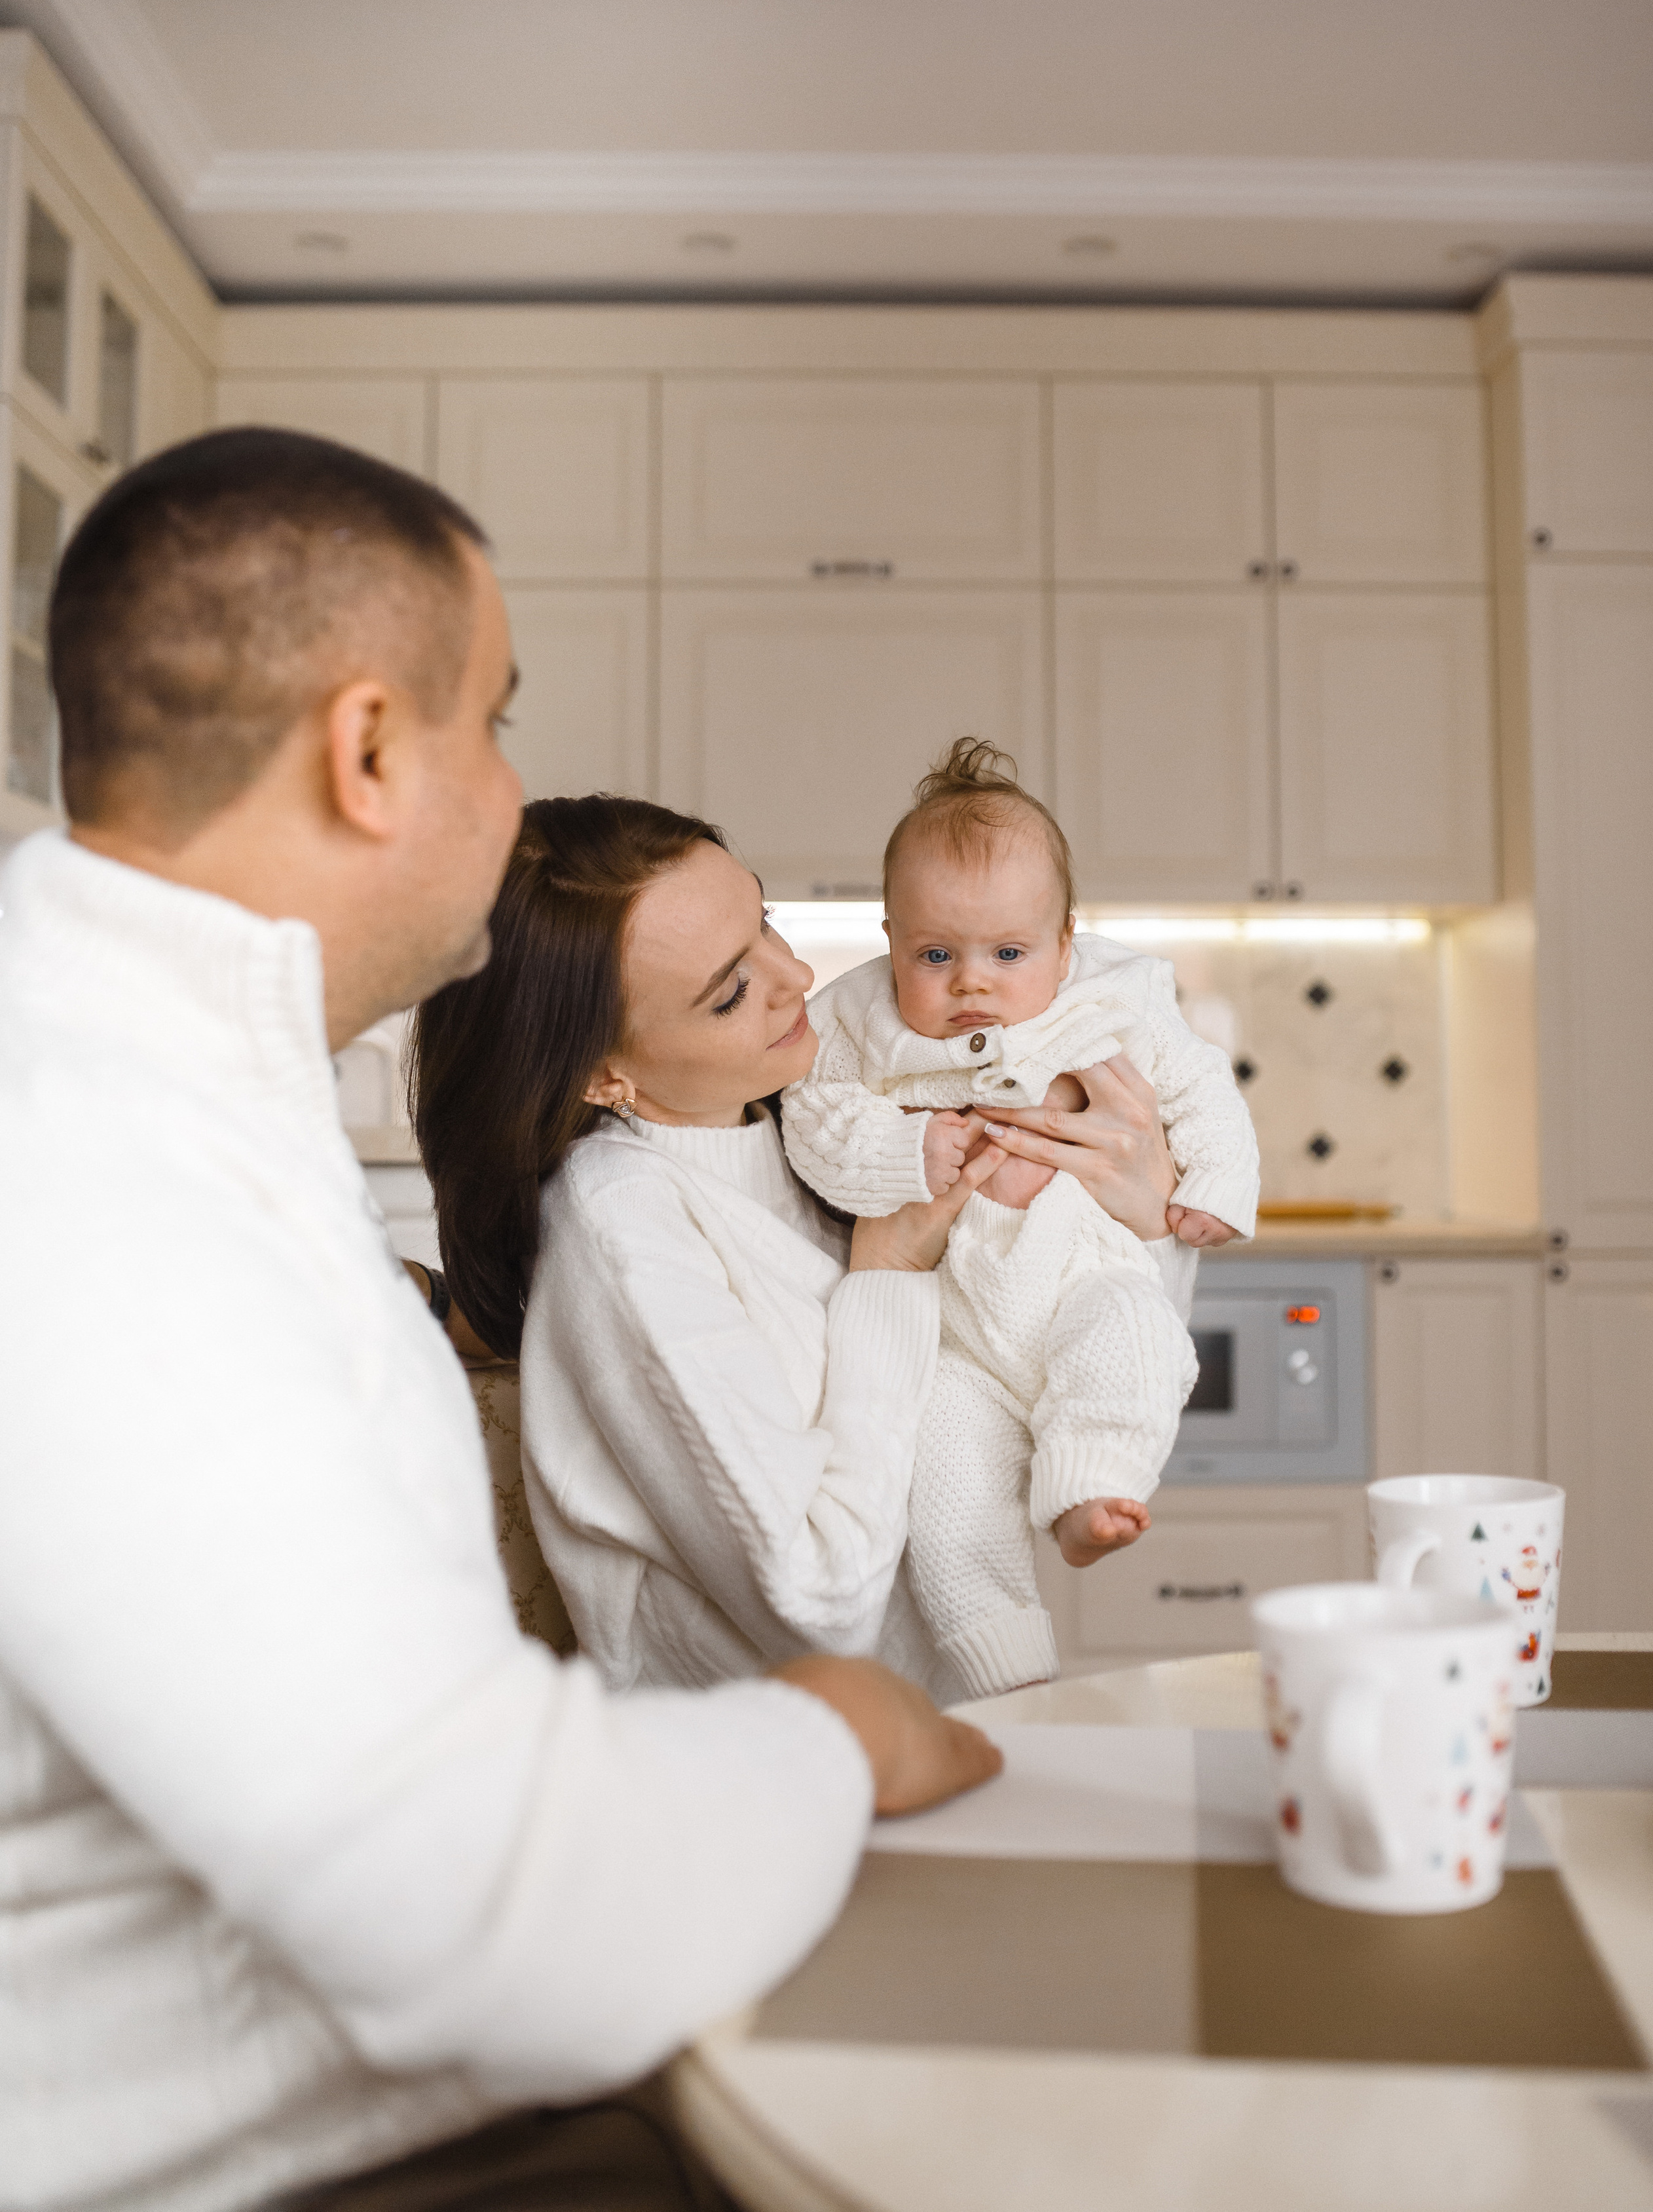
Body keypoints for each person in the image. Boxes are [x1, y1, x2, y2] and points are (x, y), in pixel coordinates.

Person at [0, 427, 999, 2212]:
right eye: (495, 720)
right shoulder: (101, 1181)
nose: (512, 784)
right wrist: (838, 1734)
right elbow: (490, 1910)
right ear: (373, 751)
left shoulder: (160, 1090)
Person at [413, 797, 1196, 1705]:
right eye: (730, 992)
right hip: (764, 1769)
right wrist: (888, 1277)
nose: (795, 975)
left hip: (943, 1724)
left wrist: (1145, 1226)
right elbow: (822, 1604)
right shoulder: (627, 1231)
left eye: (767, 922)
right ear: (602, 1073)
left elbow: (1038, 1357)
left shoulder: (813, 1126)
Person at [779, 740, 1261, 1698]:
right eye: (935, 955)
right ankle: (1010, 1672)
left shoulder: (1113, 999)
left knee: (1133, 1338)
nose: (973, 983)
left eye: (1009, 953)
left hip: (1083, 1278)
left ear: (1066, 943)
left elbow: (1200, 1084)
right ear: (890, 937)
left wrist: (1217, 1184)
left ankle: (1091, 1486)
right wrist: (900, 1151)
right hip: (956, 1335)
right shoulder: (858, 1021)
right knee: (944, 1494)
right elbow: (814, 1117)